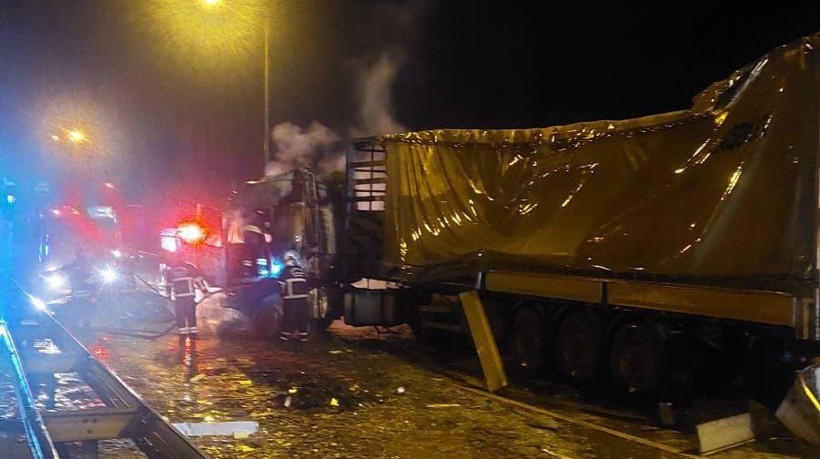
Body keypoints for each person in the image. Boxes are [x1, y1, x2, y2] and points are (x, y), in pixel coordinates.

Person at [164, 257, 208, 339]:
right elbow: (199, 281)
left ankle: (182, 334)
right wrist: (205, 292)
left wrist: (168, 296)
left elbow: (168, 285)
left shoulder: (171, 270)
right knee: (191, 315)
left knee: (180, 316)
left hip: (179, 298)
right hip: (189, 297)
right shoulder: (190, 268)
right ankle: (193, 334)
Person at [279, 249, 309, 342]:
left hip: (290, 299)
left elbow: (281, 285)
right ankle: (303, 336)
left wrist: (281, 295)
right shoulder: (301, 270)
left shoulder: (285, 271)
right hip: (303, 298)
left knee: (288, 317)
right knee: (302, 316)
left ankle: (285, 336)